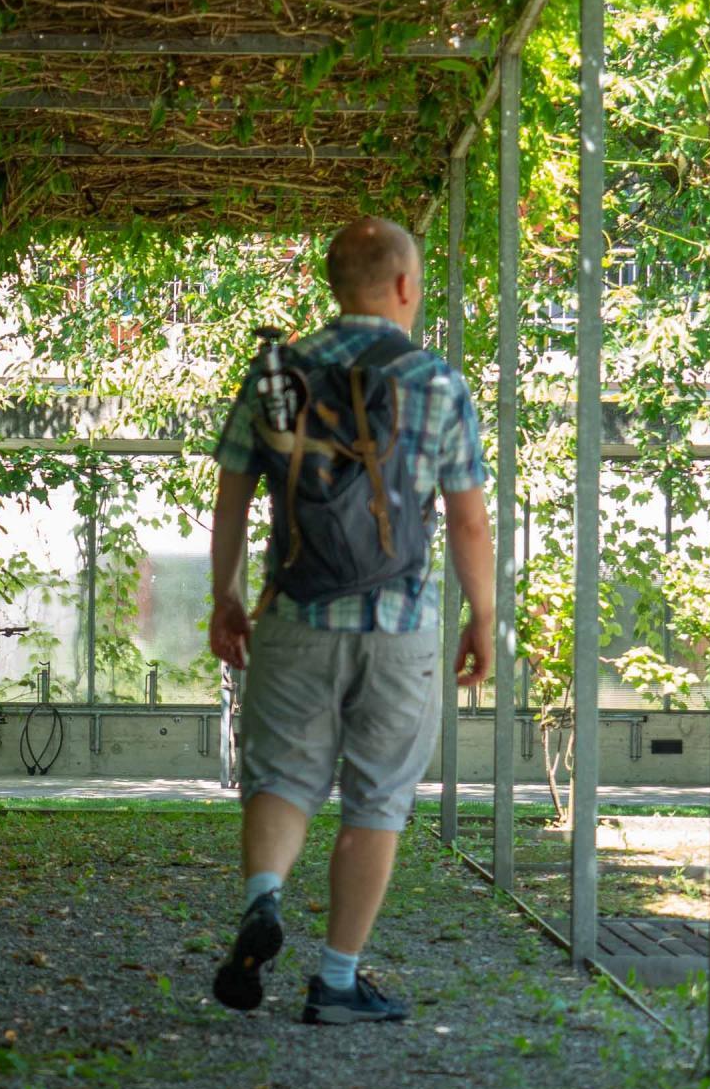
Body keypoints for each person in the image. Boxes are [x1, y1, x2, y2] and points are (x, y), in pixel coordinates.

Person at [207, 215, 496, 1025]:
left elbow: (232, 488)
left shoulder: (280, 373)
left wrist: (226, 595)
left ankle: (264, 899)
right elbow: (469, 520)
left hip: (296, 614)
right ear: (405, 285)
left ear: (335, 287)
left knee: (282, 778)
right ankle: (336, 979)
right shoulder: (436, 381)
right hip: (400, 626)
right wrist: (483, 616)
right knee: (377, 800)